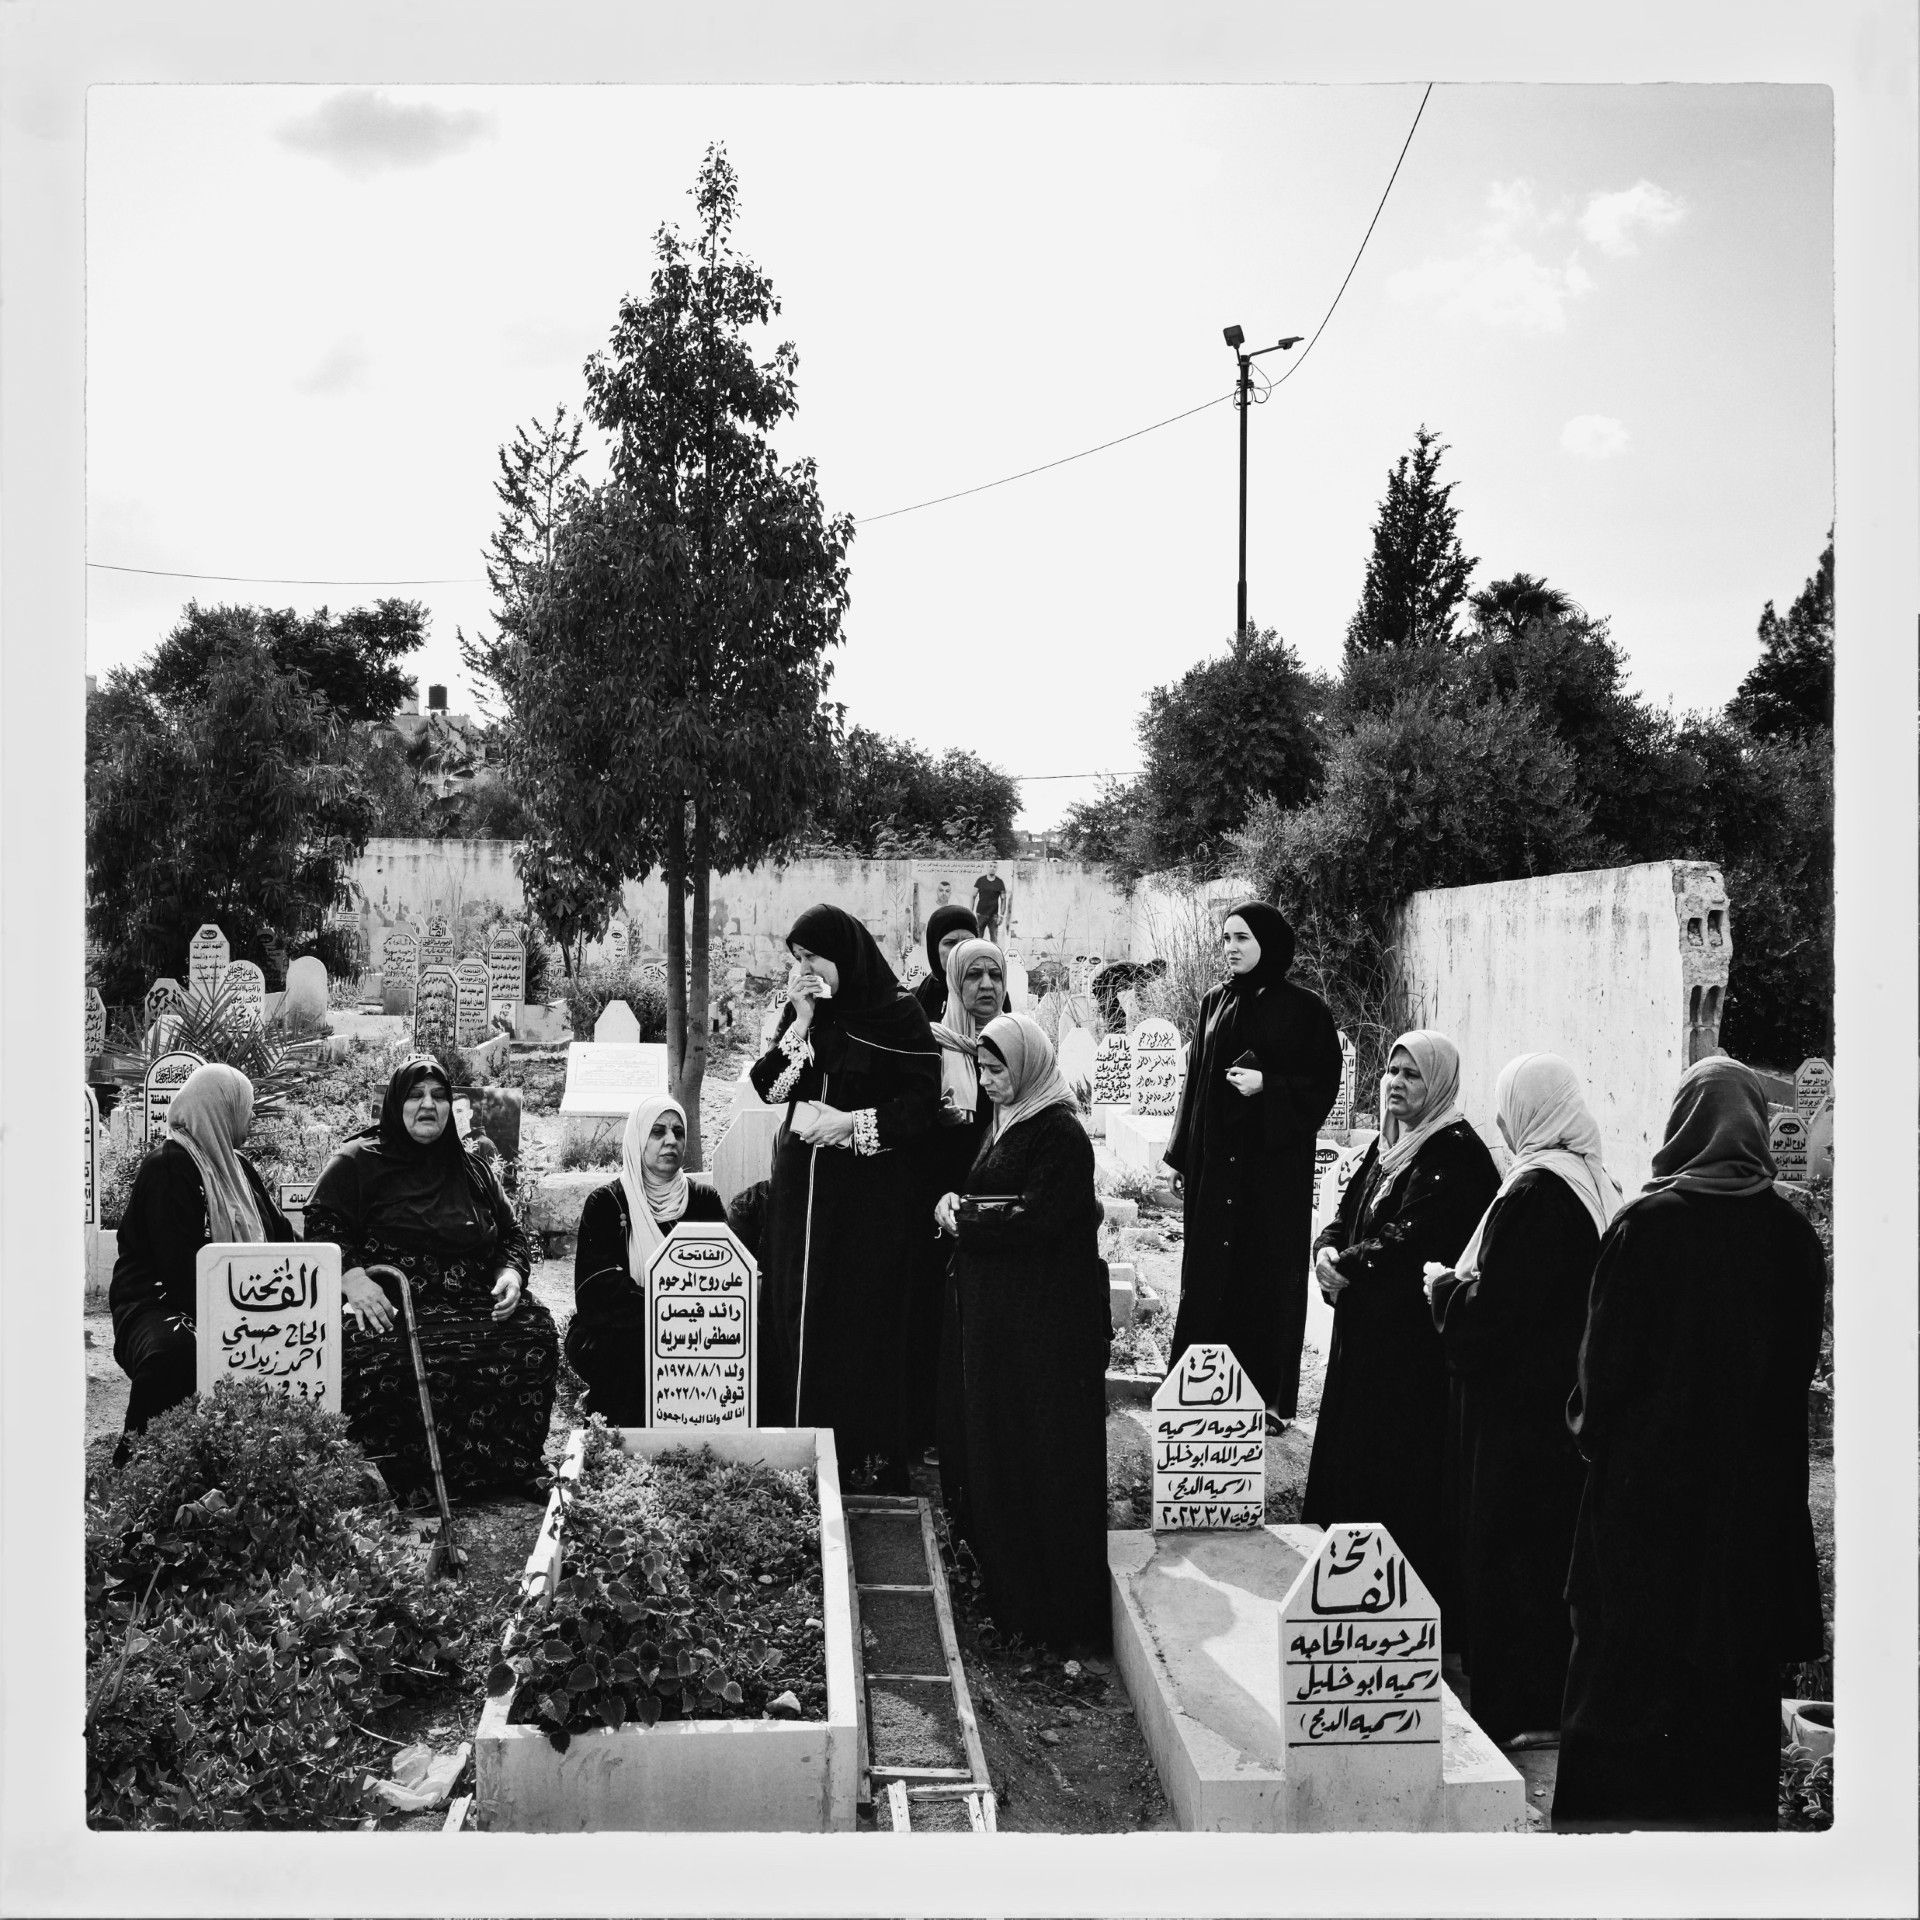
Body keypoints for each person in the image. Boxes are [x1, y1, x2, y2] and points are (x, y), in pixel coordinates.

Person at [1552, 1057, 1827, 1832]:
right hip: (1753, 1513)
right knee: (1730, 1701)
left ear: (1682, 1126)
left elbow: (1599, 1381)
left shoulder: (1646, 1227)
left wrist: (1591, 1435)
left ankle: (1601, 1862)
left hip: (1643, 1508)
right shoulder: (1793, 1238)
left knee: (1620, 1688)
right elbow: (1793, 1376)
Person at [1426, 1053, 1619, 1750]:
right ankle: (1544, 1701)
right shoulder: (1594, 1181)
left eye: (1509, 1105)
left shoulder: (1535, 1192)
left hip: (1514, 1413)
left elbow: (1498, 1312)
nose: (1503, 1119)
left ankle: (1517, 1710)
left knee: (1507, 1553)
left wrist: (1445, 1290)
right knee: (1546, 1554)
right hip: (1563, 1401)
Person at [305, 1056, 558, 1502]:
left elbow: (511, 1233)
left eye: (439, 1096)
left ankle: (509, 1467)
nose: (428, 1105)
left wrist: (511, 1275)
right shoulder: (357, 1161)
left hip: (472, 1300)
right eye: (415, 1095)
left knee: (533, 1333)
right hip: (394, 1304)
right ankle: (403, 1479)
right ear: (395, 1103)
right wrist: (352, 1278)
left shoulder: (470, 1167)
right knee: (373, 1356)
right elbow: (323, 1224)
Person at [1303, 1030, 1498, 1601]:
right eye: (1392, 1072)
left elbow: (1410, 1242)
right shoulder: (1393, 1144)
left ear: (1437, 1084)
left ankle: (1391, 1602)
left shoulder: (1455, 1154)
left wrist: (1346, 1268)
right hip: (1364, 1337)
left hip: (1411, 1353)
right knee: (1356, 1465)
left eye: (1412, 1075)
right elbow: (1348, 1212)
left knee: (1395, 1476)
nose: (1396, 1084)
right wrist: (1326, 1251)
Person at [750, 905, 941, 1489]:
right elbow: (768, 1087)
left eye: (814, 958)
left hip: (868, 1201)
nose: (805, 969)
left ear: (845, 954)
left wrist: (853, 1125)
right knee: (797, 1311)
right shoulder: (806, 1013)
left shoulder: (899, 1013)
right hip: (803, 1194)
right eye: (797, 960)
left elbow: (921, 1104)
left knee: (858, 1321)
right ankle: (798, 1452)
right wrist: (802, 1021)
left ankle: (862, 1463)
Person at [936, 1013, 1109, 1654]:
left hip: (1043, 1331)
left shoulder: (1058, 1132)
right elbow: (989, 1194)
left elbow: (1042, 1217)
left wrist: (968, 1224)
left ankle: (1049, 1614)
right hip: (1002, 1321)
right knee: (1002, 1444)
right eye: (981, 1070)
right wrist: (951, 1204)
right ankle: (1008, 1595)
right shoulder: (1006, 1121)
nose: (988, 1081)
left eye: (998, 1068)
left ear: (1029, 1066)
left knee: (1042, 1453)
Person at [1163, 902, 1342, 1430]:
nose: (1231, 948)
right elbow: (1194, 1081)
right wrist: (1179, 1155)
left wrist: (1271, 1089)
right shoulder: (1214, 1002)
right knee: (1210, 1275)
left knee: (1262, 1276)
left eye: (1241, 938)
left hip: (1271, 1172)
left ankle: (1264, 1400)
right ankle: (1197, 1388)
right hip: (1216, 1165)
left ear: (1268, 942)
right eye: (1225, 939)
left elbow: (1321, 1089)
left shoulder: (1307, 1011)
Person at [109, 1063, 299, 1446]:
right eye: (245, 1104)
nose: (251, 1112)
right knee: (180, 1353)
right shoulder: (168, 1168)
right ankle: (141, 1463)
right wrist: (234, 1319)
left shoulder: (238, 1168)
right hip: (156, 1301)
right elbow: (179, 1267)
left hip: (235, 1301)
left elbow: (283, 1238)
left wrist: (334, 1271)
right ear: (220, 1108)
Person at [915, 936, 1010, 1512]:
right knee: (938, 1315)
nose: (984, 986)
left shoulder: (1019, 1041)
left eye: (993, 975)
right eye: (972, 975)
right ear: (953, 981)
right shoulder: (933, 1043)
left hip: (995, 1198)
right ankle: (938, 1428)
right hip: (939, 1196)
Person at [566, 1094, 729, 1427]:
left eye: (678, 1132)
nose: (671, 1140)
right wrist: (670, 1311)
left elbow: (727, 1277)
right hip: (628, 1332)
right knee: (632, 1349)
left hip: (696, 1331)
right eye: (657, 1131)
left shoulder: (704, 1201)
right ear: (638, 1138)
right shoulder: (607, 1203)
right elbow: (598, 1291)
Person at [913, 904, 979, 1022]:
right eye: (950, 942)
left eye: (968, 941)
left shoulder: (992, 993)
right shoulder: (918, 1000)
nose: (960, 950)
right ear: (934, 949)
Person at [971, 871, 1008, 943]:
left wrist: (1001, 915)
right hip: (981, 914)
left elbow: (1003, 899)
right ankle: (977, 953)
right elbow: (973, 896)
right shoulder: (980, 880)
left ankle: (994, 954)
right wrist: (971, 911)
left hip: (993, 915)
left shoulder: (999, 882)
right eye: (990, 865)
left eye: (994, 866)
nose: (992, 868)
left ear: (996, 867)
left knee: (994, 939)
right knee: (978, 938)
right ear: (988, 866)